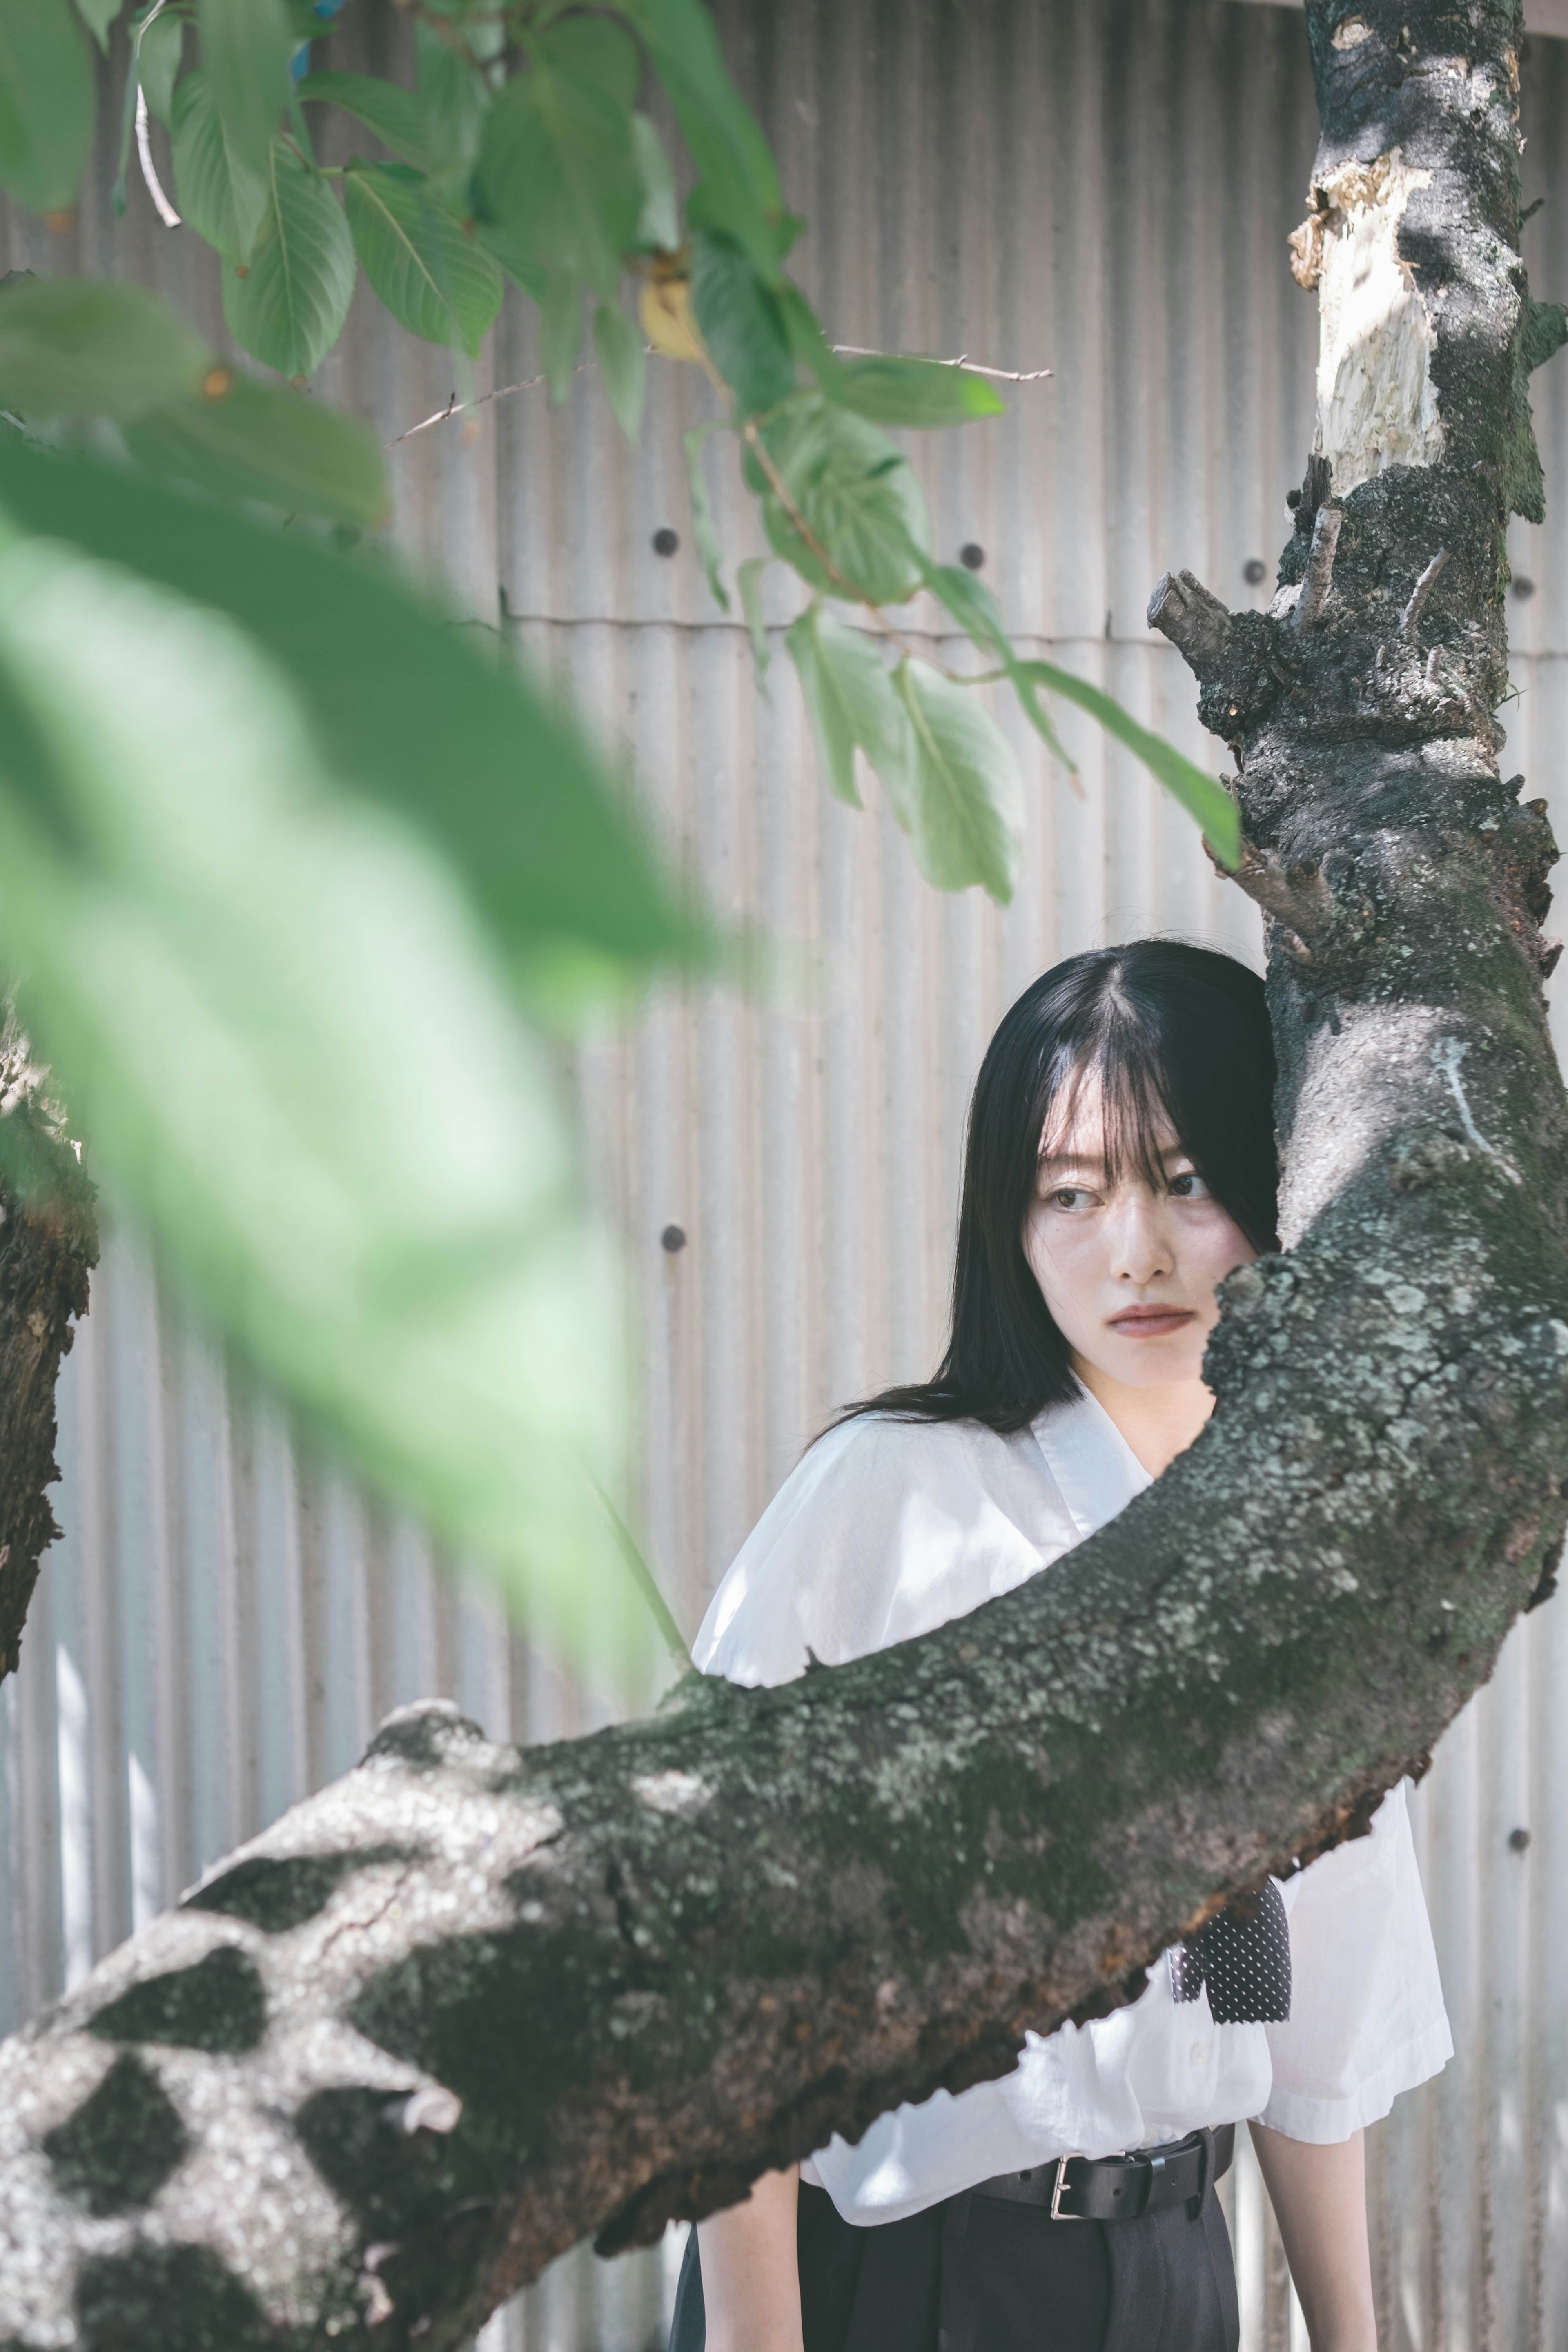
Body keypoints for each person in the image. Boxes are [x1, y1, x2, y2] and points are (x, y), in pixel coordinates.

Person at [669, 942, 1451, 2352]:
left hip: (1174, 2274)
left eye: (1188, 1181)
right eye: (1072, 1194)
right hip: (914, 2279)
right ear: (1008, 1222)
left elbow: (1319, 2018)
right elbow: (718, 1949)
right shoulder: (893, 1494)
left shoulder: (1321, 1552)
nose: (1134, 1250)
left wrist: (1354, 2336)